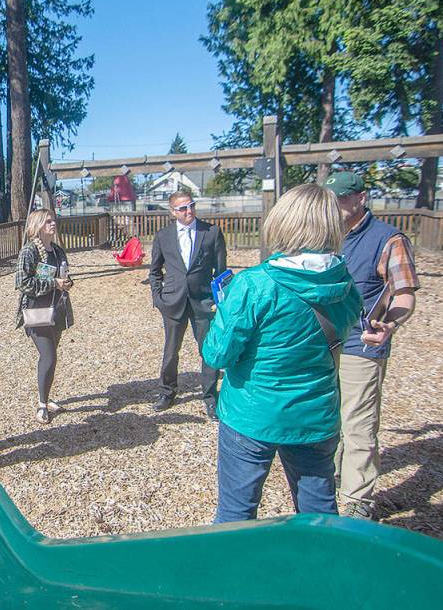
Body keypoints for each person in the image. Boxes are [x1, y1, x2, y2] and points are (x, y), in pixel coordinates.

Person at [202, 183, 362, 523]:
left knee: (237, 513)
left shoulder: (255, 284)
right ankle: (320, 571)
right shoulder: (344, 284)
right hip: (315, 414)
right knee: (318, 513)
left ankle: (231, 575)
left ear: (284, 223)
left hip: (253, 413)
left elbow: (217, 354)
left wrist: (226, 313)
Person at [323, 171, 419, 519]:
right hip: (324, 342)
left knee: (358, 423)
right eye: (331, 199)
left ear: (361, 198)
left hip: (361, 343)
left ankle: (356, 501)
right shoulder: (326, 236)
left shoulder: (388, 239)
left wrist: (390, 323)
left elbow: (404, 294)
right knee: (326, 414)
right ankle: (329, 477)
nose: (335, 205)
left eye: (342, 198)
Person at [147, 188, 227, 419]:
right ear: (173, 212)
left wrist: (219, 301)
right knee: (171, 351)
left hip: (203, 302)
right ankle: (167, 392)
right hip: (173, 301)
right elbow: (154, 271)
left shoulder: (211, 232)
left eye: (191, 205)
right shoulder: (163, 236)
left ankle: (210, 398)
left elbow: (221, 272)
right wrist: (158, 298)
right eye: (182, 208)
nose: (188, 211)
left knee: (208, 351)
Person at [15, 209, 74, 424]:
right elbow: (22, 283)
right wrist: (53, 283)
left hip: (57, 311)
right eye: (47, 221)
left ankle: (46, 398)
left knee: (50, 358)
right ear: (37, 225)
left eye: (53, 220)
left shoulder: (58, 251)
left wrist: (67, 282)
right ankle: (42, 405)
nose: (53, 224)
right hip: (36, 312)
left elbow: (65, 276)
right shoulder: (29, 251)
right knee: (49, 356)